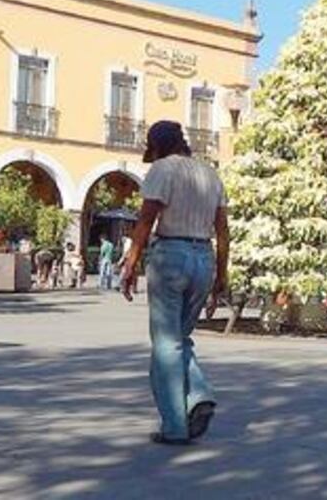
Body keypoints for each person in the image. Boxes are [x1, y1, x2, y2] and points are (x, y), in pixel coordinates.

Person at [119, 120, 229, 446]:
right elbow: (222, 229)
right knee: (180, 337)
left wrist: (131, 262)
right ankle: (197, 396)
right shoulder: (210, 174)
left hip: (171, 255)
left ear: (157, 145)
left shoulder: (161, 170)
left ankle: (177, 424)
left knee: (166, 344)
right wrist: (221, 273)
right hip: (203, 258)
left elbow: (146, 219)